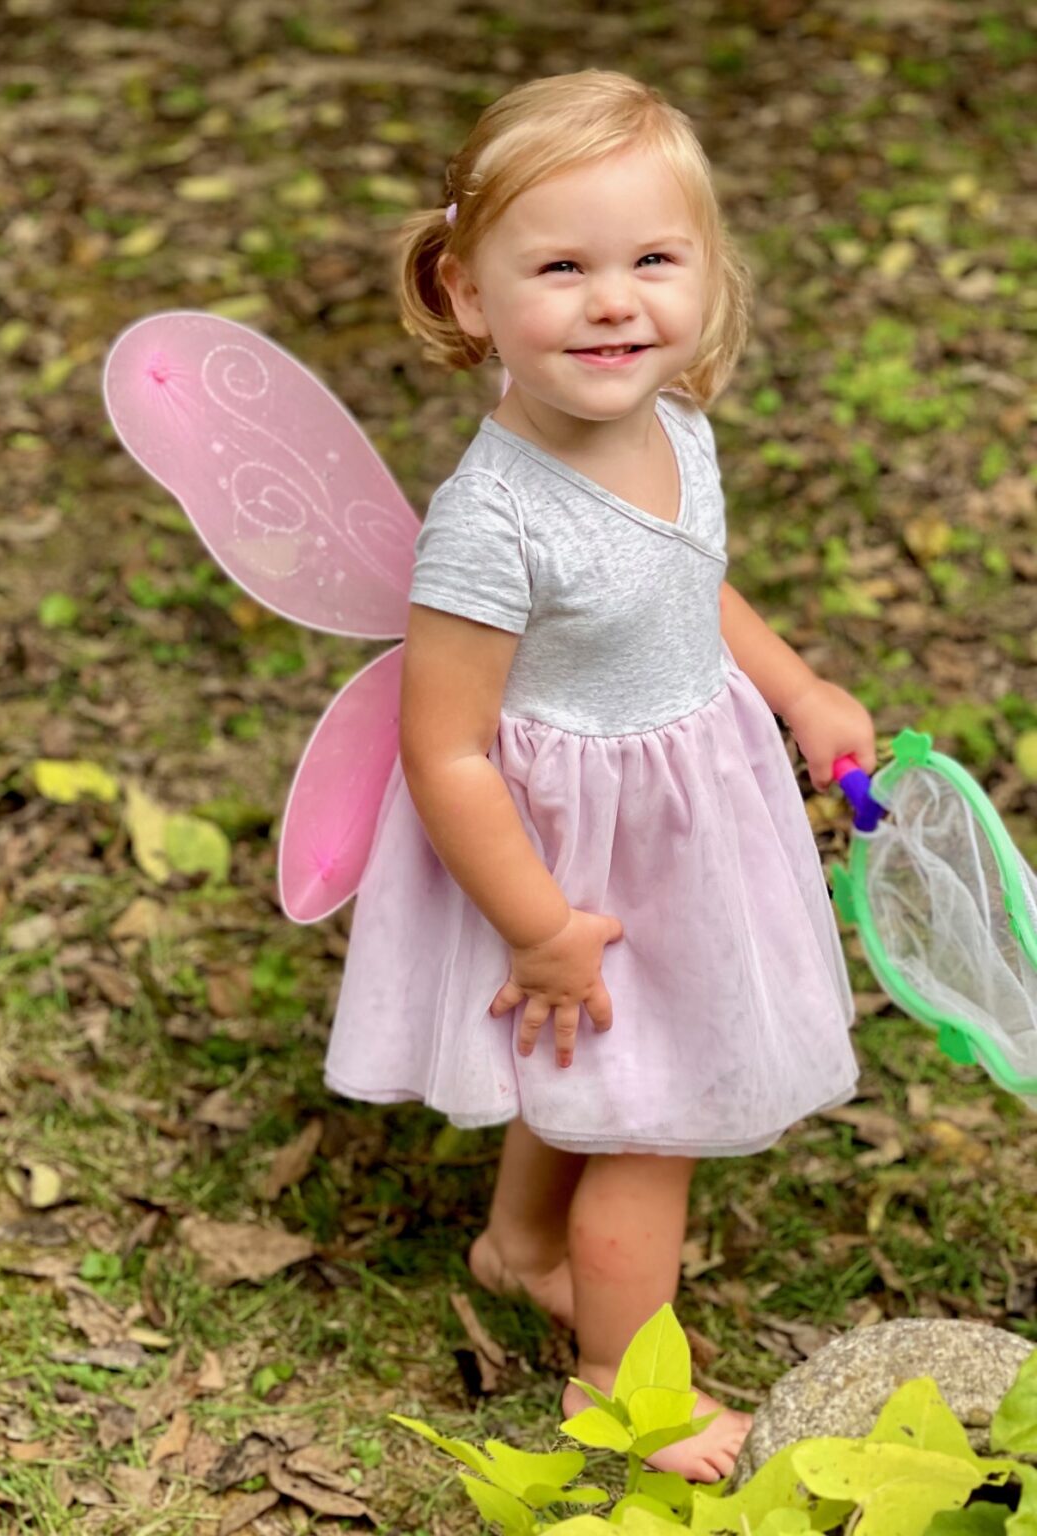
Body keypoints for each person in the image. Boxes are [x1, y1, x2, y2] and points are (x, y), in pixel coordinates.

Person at [324, 69, 875, 1481]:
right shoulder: (489, 519)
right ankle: (625, 1389)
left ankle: (518, 1247)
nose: (615, 301)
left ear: (704, 275)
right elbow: (443, 747)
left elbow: (693, 588)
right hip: (573, 849)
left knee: (599, 1066)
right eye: (561, 267)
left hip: (692, 806)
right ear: (462, 291)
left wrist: (799, 688)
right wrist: (537, 925)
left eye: (652, 261)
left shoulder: (674, 425)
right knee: (659, 1116)